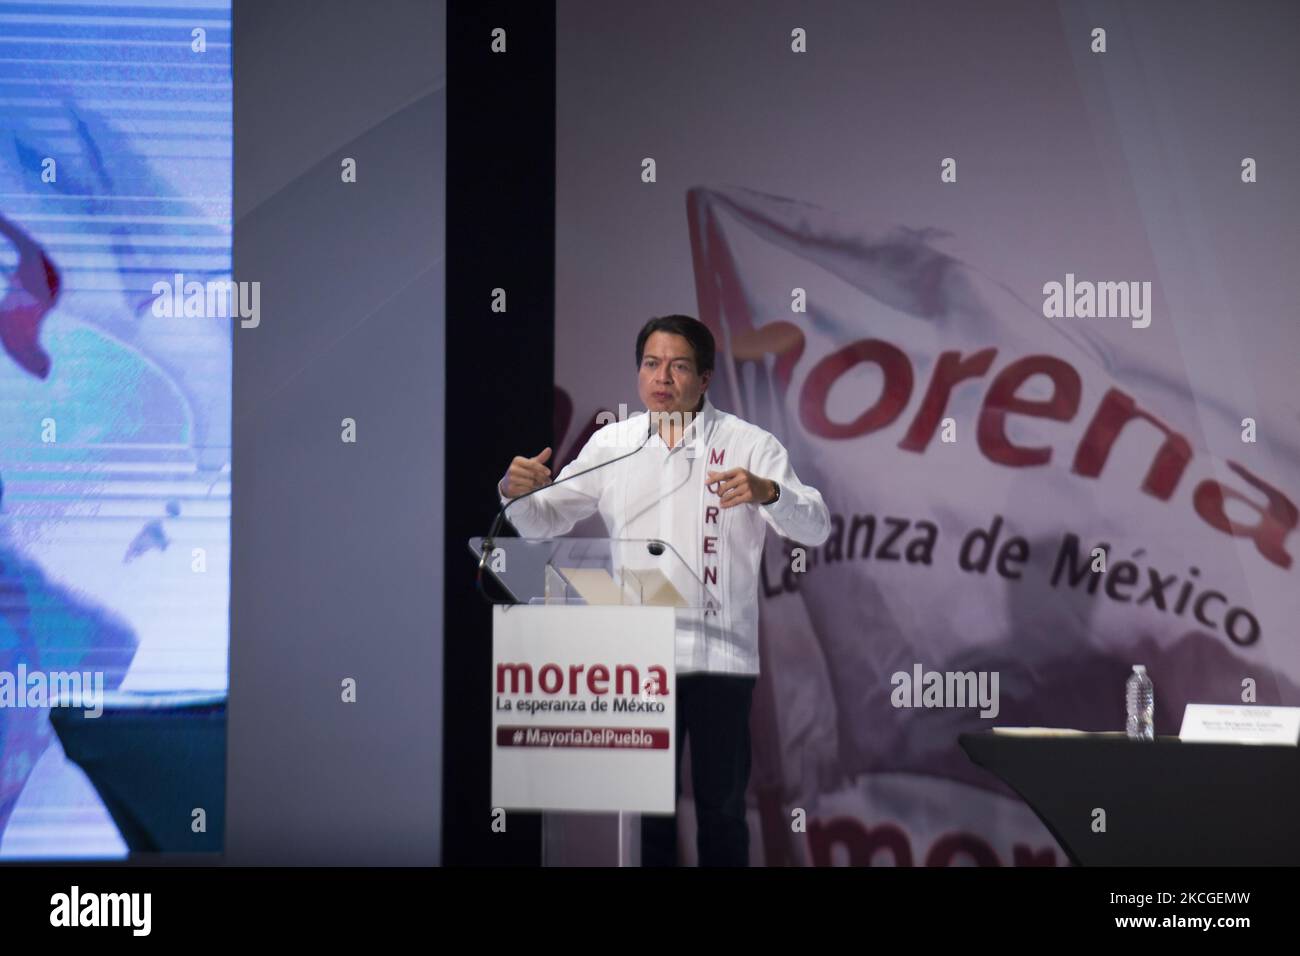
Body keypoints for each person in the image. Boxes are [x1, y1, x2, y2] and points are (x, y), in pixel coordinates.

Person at [497, 314, 831, 866]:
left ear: (704, 378)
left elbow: (815, 526)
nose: (662, 378)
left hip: (720, 656)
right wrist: (515, 492)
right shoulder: (614, 445)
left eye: (678, 366)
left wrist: (769, 492)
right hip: (638, 660)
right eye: (651, 364)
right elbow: (542, 522)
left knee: (723, 814)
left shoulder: (750, 444)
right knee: (648, 815)